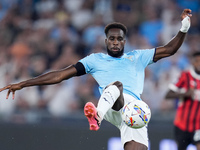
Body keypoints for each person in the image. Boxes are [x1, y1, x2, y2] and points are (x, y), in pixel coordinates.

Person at [0, 9, 192, 150]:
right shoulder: (95, 60)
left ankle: (99, 115)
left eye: (119, 39)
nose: (115, 42)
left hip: (135, 111)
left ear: (124, 41)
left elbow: (169, 49)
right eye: (111, 39)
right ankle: (97, 116)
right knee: (116, 85)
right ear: (106, 40)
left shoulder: (138, 56)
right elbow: (60, 75)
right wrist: (24, 83)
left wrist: (184, 27)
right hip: (110, 105)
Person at [165, 52, 200, 150]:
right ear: (193, 62)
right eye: (197, 61)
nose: (199, 64)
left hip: (198, 126)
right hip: (182, 125)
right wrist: (185, 94)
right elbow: (168, 94)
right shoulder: (185, 76)